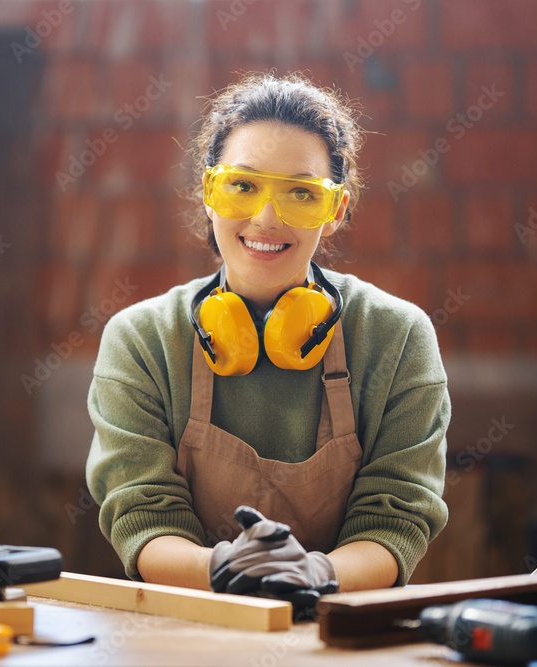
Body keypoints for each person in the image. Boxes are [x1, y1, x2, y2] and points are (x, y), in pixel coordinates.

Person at [85, 73, 449, 611]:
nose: (266, 218)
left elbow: (397, 520)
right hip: (189, 634)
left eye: (301, 193)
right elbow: (143, 516)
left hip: (338, 631)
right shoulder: (142, 341)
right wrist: (222, 568)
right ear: (208, 194)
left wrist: (317, 574)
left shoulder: (396, 338)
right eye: (242, 185)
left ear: (337, 209)